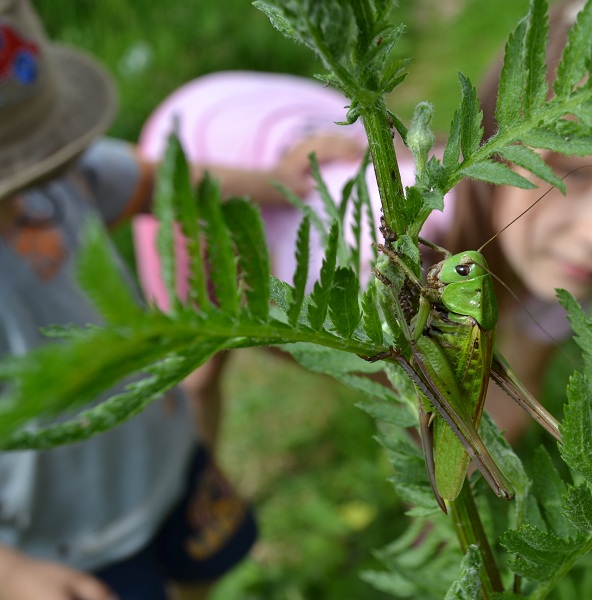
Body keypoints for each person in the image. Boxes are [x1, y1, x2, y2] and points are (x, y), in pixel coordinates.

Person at [134, 0, 592, 446]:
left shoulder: (562, 261)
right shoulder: (374, 229)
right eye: (573, 175)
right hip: (209, 144)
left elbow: (510, 400)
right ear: (506, 146)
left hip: (291, 124)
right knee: (203, 365)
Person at [0, 1, 360, 598]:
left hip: (163, 456)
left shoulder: (63, 174)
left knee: (208, 567)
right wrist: (11, 572)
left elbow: (157, 180)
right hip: (66, 538)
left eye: (37, 158)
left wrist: (277, 180)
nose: (31, 184)